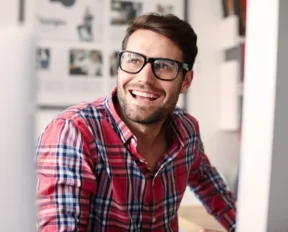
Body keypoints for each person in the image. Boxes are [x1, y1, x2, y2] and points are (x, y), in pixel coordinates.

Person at [35, 13, 236, 232]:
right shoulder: (73, 133)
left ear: (186, 80)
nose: (144, 78)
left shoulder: (186, 130)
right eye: (133, 60)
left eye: (164, 65)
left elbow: (208, 183)